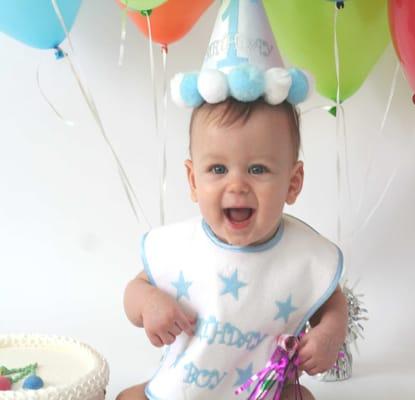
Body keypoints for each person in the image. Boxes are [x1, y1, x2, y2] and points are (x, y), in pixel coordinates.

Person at [117, 98, 348, 400]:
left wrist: (329, 334)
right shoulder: (182, 247)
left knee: (301, 397)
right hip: (189, 385)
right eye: (218, 168)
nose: (237, 184)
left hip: (266, 387)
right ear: (193, 180)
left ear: (293, 183)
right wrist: (148, 304)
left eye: (257, 168)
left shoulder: (301, 253)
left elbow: (333, 302)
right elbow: (136, 288)